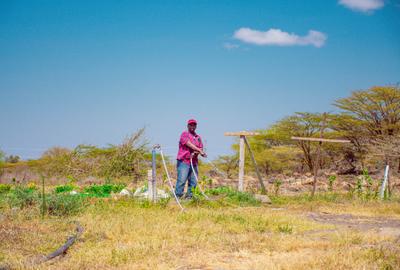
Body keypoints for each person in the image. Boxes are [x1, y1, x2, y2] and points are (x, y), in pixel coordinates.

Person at [175, 119, 207, 199]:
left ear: (196, 126)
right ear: (188, 126)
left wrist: (201, 152)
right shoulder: (184, 134)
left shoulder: (198, 137)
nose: (192, 126)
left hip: (194, 162)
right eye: (191, 125)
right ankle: (178, 197)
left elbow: (200, 148)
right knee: (182, 180)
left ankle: (189, 197)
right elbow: (188, 143)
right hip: (184, 161)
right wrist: (199, 150)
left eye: (194, 125)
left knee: (193, 181)